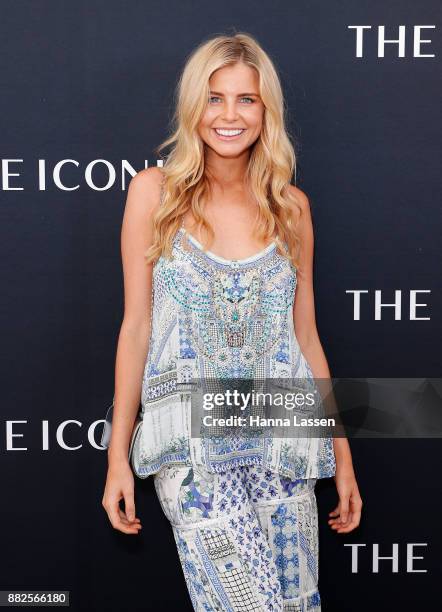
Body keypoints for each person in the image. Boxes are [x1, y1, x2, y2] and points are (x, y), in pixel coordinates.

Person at [102, 32, 363, 611]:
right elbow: (136, 329)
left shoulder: (291, 207)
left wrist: (342, 457)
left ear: (265, 110)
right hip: (191, 449)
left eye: (246, 99)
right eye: (215, 98)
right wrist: (117, 457)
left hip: (284, 444)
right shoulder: (154, 194)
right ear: (194, 107)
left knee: (295, 606)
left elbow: (307, 338)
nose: (229, 115)